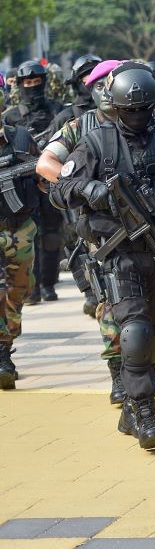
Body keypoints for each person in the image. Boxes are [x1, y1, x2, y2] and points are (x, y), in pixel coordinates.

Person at [49, 63, 155, 449]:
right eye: (131, 110)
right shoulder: (96, 142)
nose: (139, 117)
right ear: (117, 106)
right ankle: (143, 409)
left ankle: (132, 408)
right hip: (119, 252)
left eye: (146, 109)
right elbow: (60, 188)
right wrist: (89, 189)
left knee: (153, 333)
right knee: (135, 330)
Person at [4, 61, 66, 304]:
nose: (32, 86)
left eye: (36, 82)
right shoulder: (10, 116)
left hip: (50, 180)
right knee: (28, 234)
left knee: (51, 234)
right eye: (27, 83)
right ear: (20, 85)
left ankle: (48, 283)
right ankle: (34, 286)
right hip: (20, 184)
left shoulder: (58, 111)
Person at [0, 116, 41, 390]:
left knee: (18, 290)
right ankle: (2, 355)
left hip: (19, 229)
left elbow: (44, 174)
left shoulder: (22, 138)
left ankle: (6, 344)